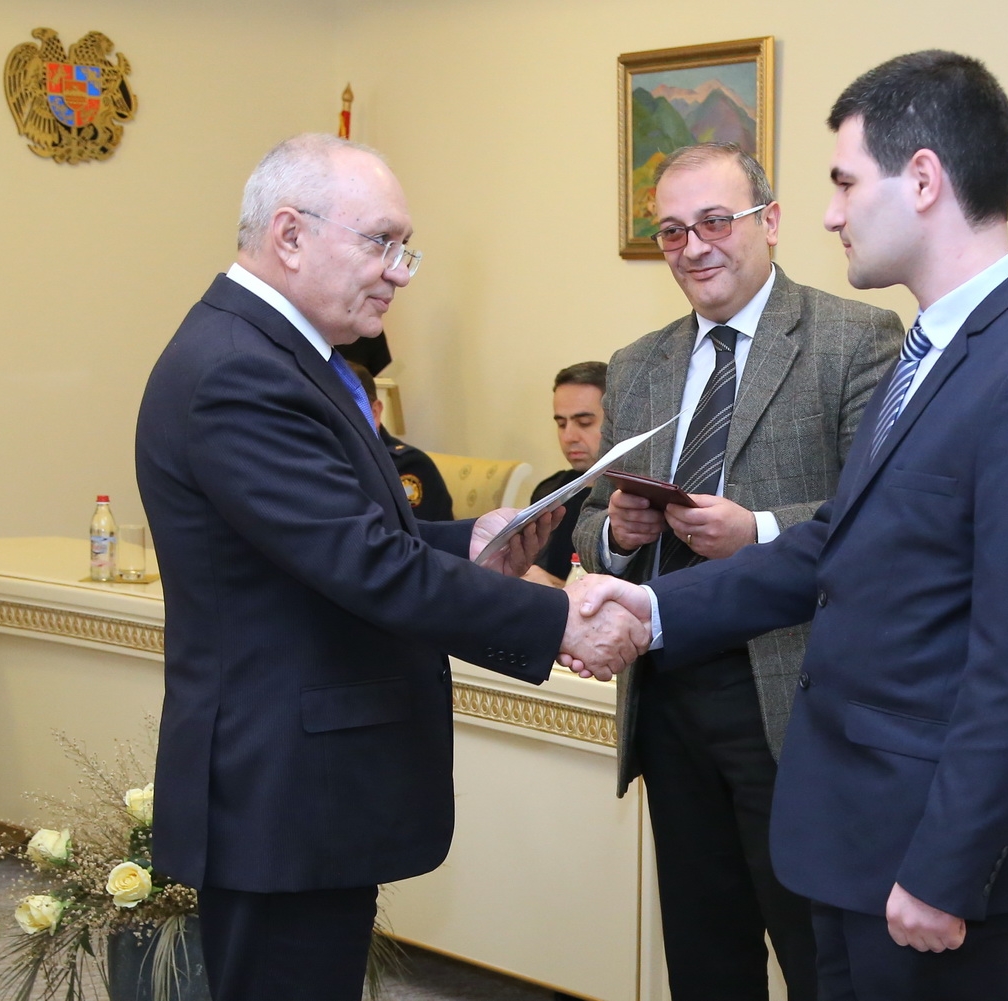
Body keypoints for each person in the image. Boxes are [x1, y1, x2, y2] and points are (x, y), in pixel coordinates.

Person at [575, 51, 1008, 1000]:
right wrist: (656, 609)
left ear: (923, 180)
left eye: (844, 182)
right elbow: (837, 542)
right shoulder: (933, 348)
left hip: (920, 854)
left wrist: (948, 868)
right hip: (851, 834)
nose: (830, 215)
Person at [134, 133, 645, 1001]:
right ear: (290, 235)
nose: (399, 272)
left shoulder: (277, 355)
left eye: (405, 248)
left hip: (305, 787)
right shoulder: (238, 372)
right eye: (381, 242)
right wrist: (561, 618)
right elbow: (366, 565)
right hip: (281, 790)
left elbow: (344, 540)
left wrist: (470, 542)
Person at [572, 142, 902, 1001]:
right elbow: (589, 520)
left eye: (715, 222)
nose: (695, 247)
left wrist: (757, 530)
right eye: (672, 231)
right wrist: (617, 532)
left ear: (772, 222)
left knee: (819, 957)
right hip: (668, 695)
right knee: (704, 957)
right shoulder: (637, 363)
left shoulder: (854, 338)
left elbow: (881, 517)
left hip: (790, 695)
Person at [524, 361, 608, 586]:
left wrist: (556, 589)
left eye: (584, 423)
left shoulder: (634, 504)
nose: (569, 437)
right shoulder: (549, 492)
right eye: (561, 424)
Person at [345, 359, 456, 522]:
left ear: (374, 413)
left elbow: (415, 534)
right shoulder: (320, 461)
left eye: (342, 411)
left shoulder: (407, 466)